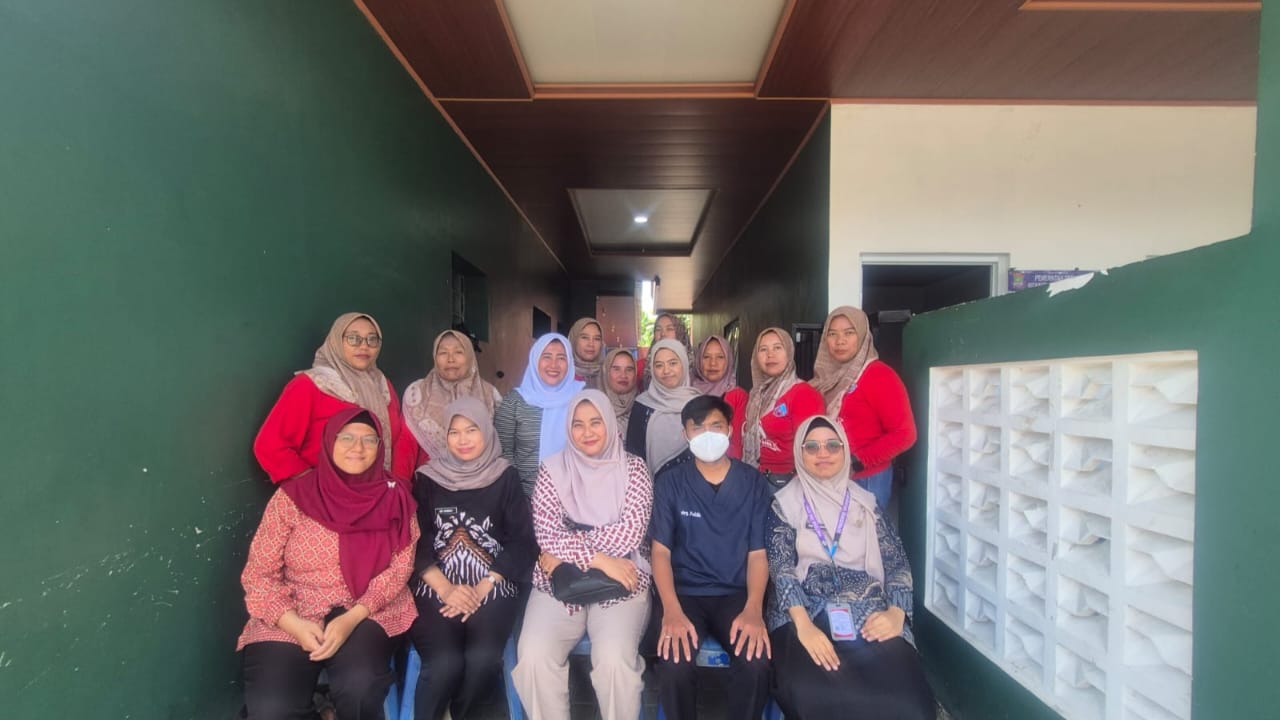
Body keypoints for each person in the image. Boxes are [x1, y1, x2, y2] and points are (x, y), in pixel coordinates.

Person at [238, 408, 419, 719]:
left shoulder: (396, 498)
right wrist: (293, 624)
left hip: (365, 607)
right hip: (294, 607)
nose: (357, 448)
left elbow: (401, 566)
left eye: (369, 440)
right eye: (346, 438)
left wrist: (352, 618)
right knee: (272, 708)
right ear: (329, 442)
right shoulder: (292, 497)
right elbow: (259, 573)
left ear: (380, 447)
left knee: (360, 686)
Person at [766, 416, 934, 720]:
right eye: (812, 447)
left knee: (909, 702)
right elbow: (782, 569)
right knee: (809, 691)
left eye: (833, 445)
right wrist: (804, 627)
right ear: (799, 453)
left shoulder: (866, 503)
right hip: (803, 609)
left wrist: (896, 614)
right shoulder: (784, 504)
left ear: (845, 450)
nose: (823, 453)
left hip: (868, 609)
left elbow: (897, 562)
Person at [513, 390, 653, 720]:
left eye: (595, 422)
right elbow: (546, 534)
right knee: (534, 657)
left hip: (623, 578)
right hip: (560, 581)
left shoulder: (634, 469)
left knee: (614, 660)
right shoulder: (552, 470)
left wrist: (567, 547)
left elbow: (630, 533)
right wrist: (600, 559)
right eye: (578, 424)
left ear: (610, 424)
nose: (587, 432)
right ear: (568, 428)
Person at [407, 397, 536, 720]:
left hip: (493, 582)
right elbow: (415, 538)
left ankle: (458, 712)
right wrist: (446, 588)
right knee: (444, 662)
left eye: (472, 429)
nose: (463, 439)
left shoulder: (504, 476)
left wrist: (483, 586)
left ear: (487, 432)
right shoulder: (427, 478)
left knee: (482, 659)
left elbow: (522, 540)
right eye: (454, 432)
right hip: (435, 583)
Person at [650, 395, 773, 720]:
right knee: (674, 664)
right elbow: (660, 552)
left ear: (730, 429)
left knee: (757, 661)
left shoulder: (752, 482)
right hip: (686, 594)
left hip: (737, 594)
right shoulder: (670, 483)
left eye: (716, 426)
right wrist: (671, 610)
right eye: (698, 428)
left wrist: (754, 608)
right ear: (685, 435)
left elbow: (758, 553)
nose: (708, 435)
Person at [255, 312, 416, 483]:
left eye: (372, 339)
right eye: (353, 338)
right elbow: (270, 445)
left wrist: (397, 487)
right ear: (336, 341)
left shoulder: (382, 386)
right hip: (325, 495)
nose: (364, 346)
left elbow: (397, 442)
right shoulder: (311, 384)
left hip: (376, 492)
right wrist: (312, 486)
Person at [810, 306, 916, 511]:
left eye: (849, 333)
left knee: (862, 531)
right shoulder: (823, 379)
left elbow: (905, 434)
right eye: (832, 334)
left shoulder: (879, 375)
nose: (840, 341)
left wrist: (857, 461)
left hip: (865, 479)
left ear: (863, 336)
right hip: (826, 477)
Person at [494, 334, 586, 496]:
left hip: (576, 496)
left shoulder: (582, 398)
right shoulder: (515, 401)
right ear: (535, 359)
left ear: (570, 362)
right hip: (525, 497)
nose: (553, 365)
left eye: (561, 358)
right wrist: (517, 494)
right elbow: (503, 451)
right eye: (547, 357)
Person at [402, 329, 503, 467]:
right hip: (431, 476)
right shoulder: (417, 394)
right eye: (443, 353)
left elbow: (501, 445)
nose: (450, 359)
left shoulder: (490, 395)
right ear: (434, 357)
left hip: (484, 476)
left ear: (470, 356)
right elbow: (405, 449)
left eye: (458, 352)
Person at [741, 327, 825, 488]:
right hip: (754, 477)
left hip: (787, 483)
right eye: (763, 349)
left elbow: (812, 448)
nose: (770, 354)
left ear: (789, 352)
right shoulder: (757, 394)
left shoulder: (803, 394)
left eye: (777, 348)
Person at [625, 339, 702, 475]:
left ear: (684, 364)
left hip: (694, 484)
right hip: (652, 485)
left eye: (673, 363)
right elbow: (634, 456)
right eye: (659, 365)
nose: (666, 371)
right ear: (652, 369)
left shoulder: (700, 404)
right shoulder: (642, 404)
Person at [691, 334, 749, 460]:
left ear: (729, 360)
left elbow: (737, 445)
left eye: (720, 357)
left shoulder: (738, 396)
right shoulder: (689, 393)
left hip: (726, 466)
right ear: (699, 360)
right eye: (706, 357)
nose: (713, 363)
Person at [638, 313, 692, 390]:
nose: (663, 334)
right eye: (658, 329)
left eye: (669, 329)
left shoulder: (696, 367)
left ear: (680, 333)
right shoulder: (641, 366)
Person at [602, 348, 638, 436]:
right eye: (616, 369)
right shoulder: (595, 406)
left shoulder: (644, 406)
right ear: (606, 371)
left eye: (629, 369)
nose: (623, 375)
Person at [569, 317, 606, 390]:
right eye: (584, 337)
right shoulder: (560, 375)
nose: (591, 344)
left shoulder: (610, 375)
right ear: (573, 340)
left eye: (597, 339)